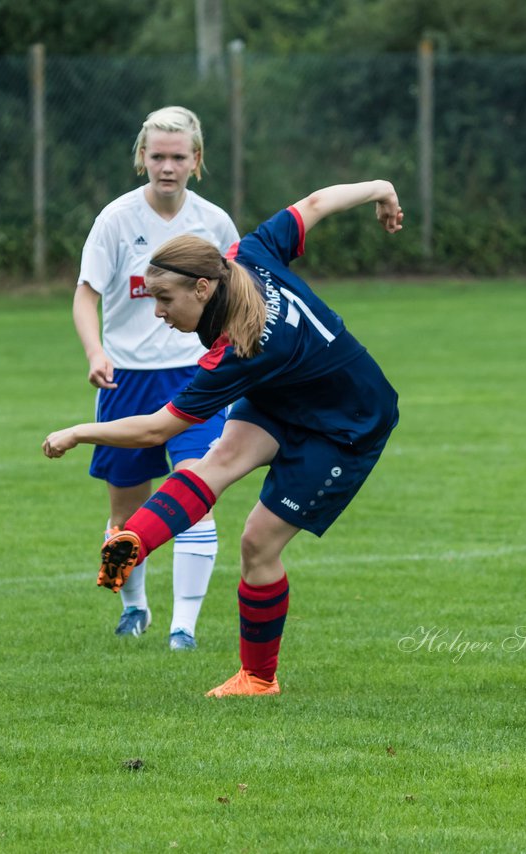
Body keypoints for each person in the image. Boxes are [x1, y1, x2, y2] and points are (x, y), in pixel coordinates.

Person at [45, 178, 404, 696]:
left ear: (202, 288)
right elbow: (316, 203)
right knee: (218, 460)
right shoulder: (245, 253)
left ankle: (258, 679)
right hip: (288, 392)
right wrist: (380, 188)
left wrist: (79, 431)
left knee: (256, 544)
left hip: (348, 423)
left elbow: (157, 429)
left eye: (165, 299)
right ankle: (132, 543)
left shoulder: (241, 348)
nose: (159, 311)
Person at [72, 106, 239, 650]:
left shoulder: (214, 223)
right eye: (157, 155)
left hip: (197, 376)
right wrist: (96, 351)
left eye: (178, 157)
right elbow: (86, 293)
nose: (167, 167)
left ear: (197, 160)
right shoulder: (116, 220)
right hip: (127, 382)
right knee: (126, 509)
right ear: (141, 157)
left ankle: (183, 628)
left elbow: (240, 294)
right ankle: (135, 607)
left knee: (197, 489)